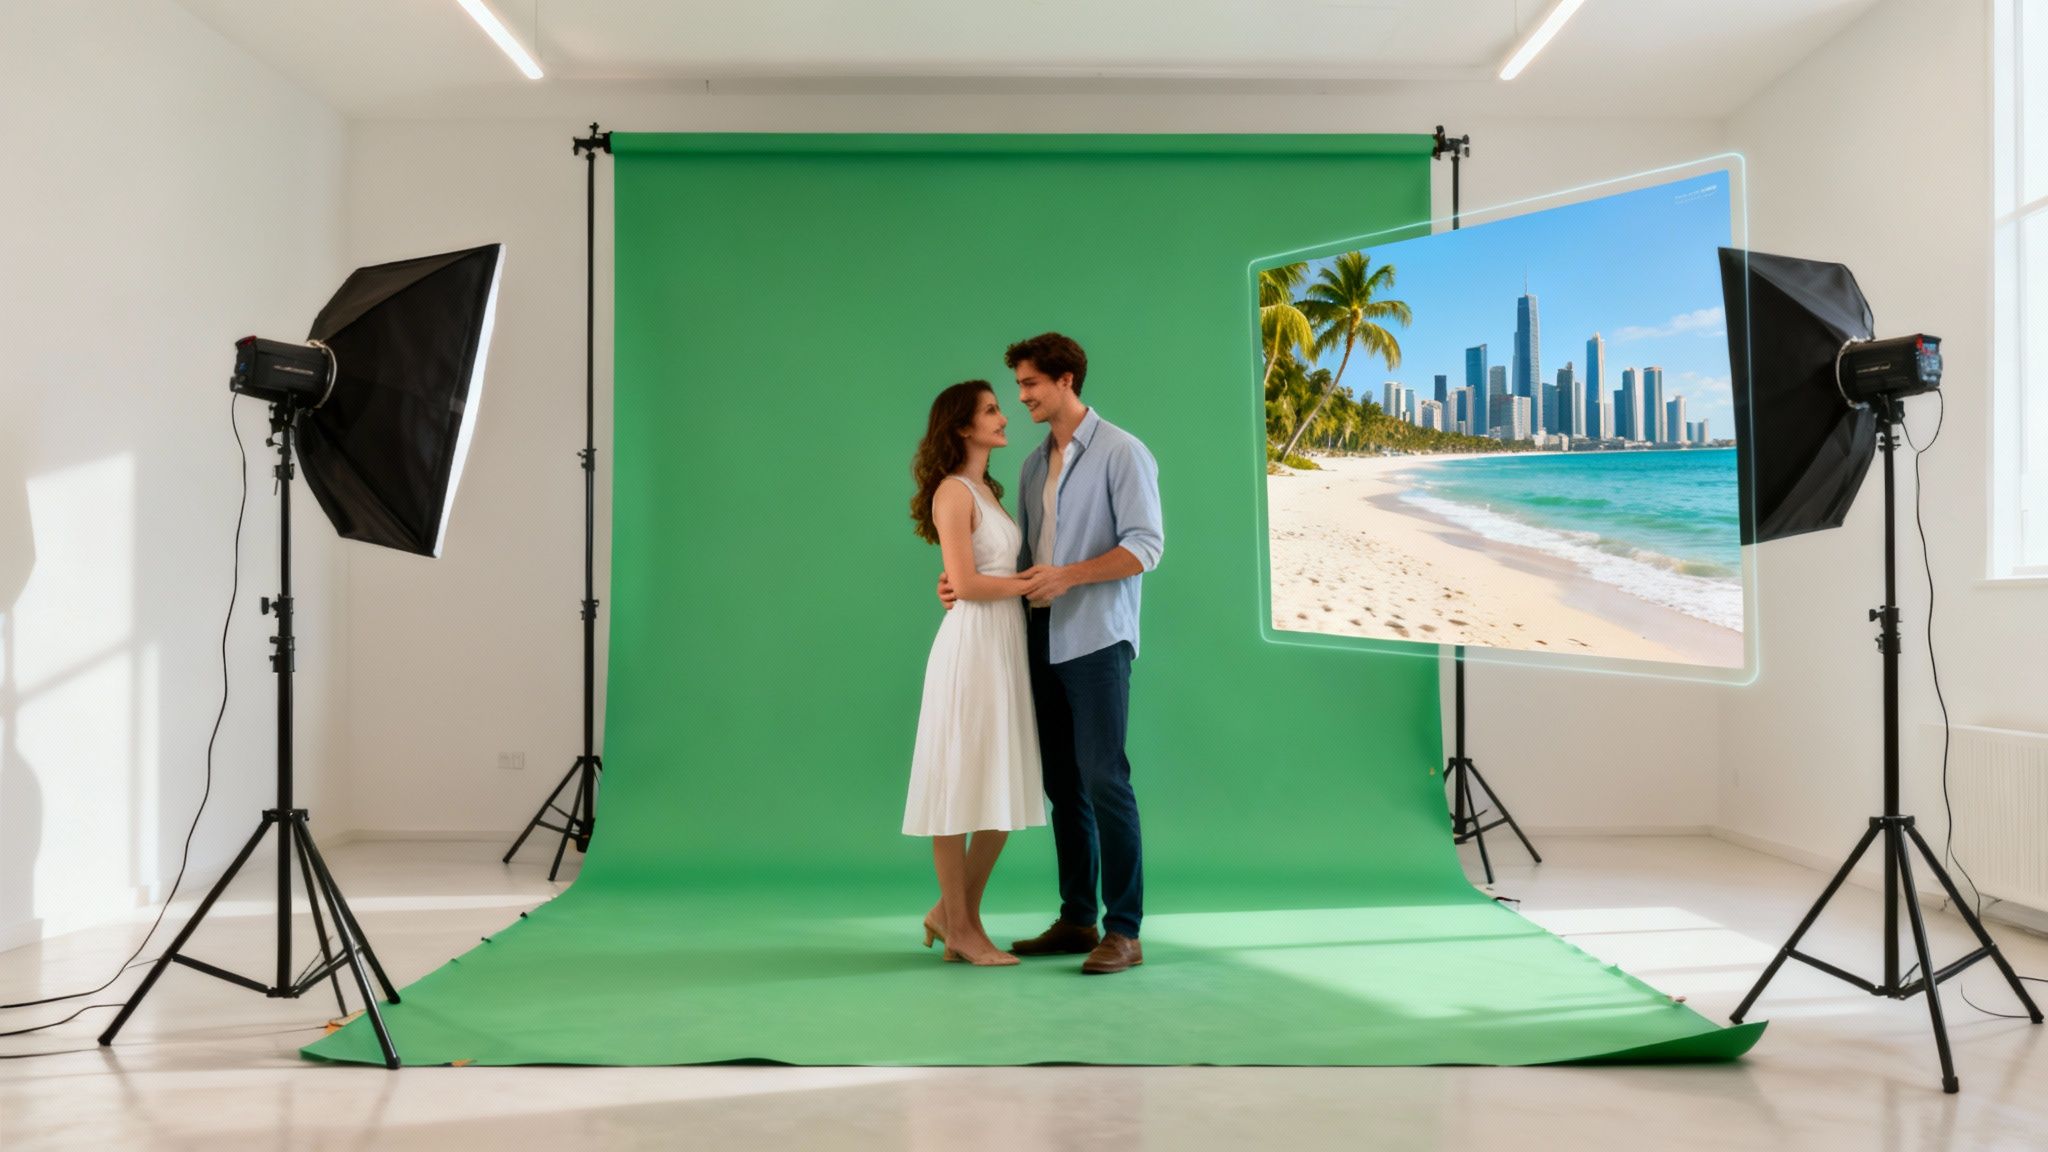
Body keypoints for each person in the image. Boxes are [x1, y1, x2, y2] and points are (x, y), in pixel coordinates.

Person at [940, 333, 1163, 975]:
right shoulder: (1036, 464)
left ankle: (1124, 931)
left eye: (1031, 384)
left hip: (1096, 637)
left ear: (1066, 380)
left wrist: (1070, 576)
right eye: (1017, 388)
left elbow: (1146, 546)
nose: (1022, 399)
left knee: (1103, 777)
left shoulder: (1123, 451)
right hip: (1037, 639)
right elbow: (1014, 558)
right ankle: (1076, 918)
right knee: (1062, 785)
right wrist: (957, 579)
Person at [904, 380, 1049, 967]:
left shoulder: (988, 491)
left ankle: (948, 913)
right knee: (961, 785)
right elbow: (963, 584)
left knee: (1000, 785)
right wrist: (1031, 583)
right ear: (964, 426)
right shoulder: (952, 491)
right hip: (972, 648)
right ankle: (963, 929)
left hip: (1002, 645)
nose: (1004, 415)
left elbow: (968, 577)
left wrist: (1011, 586)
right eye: (992, 410)